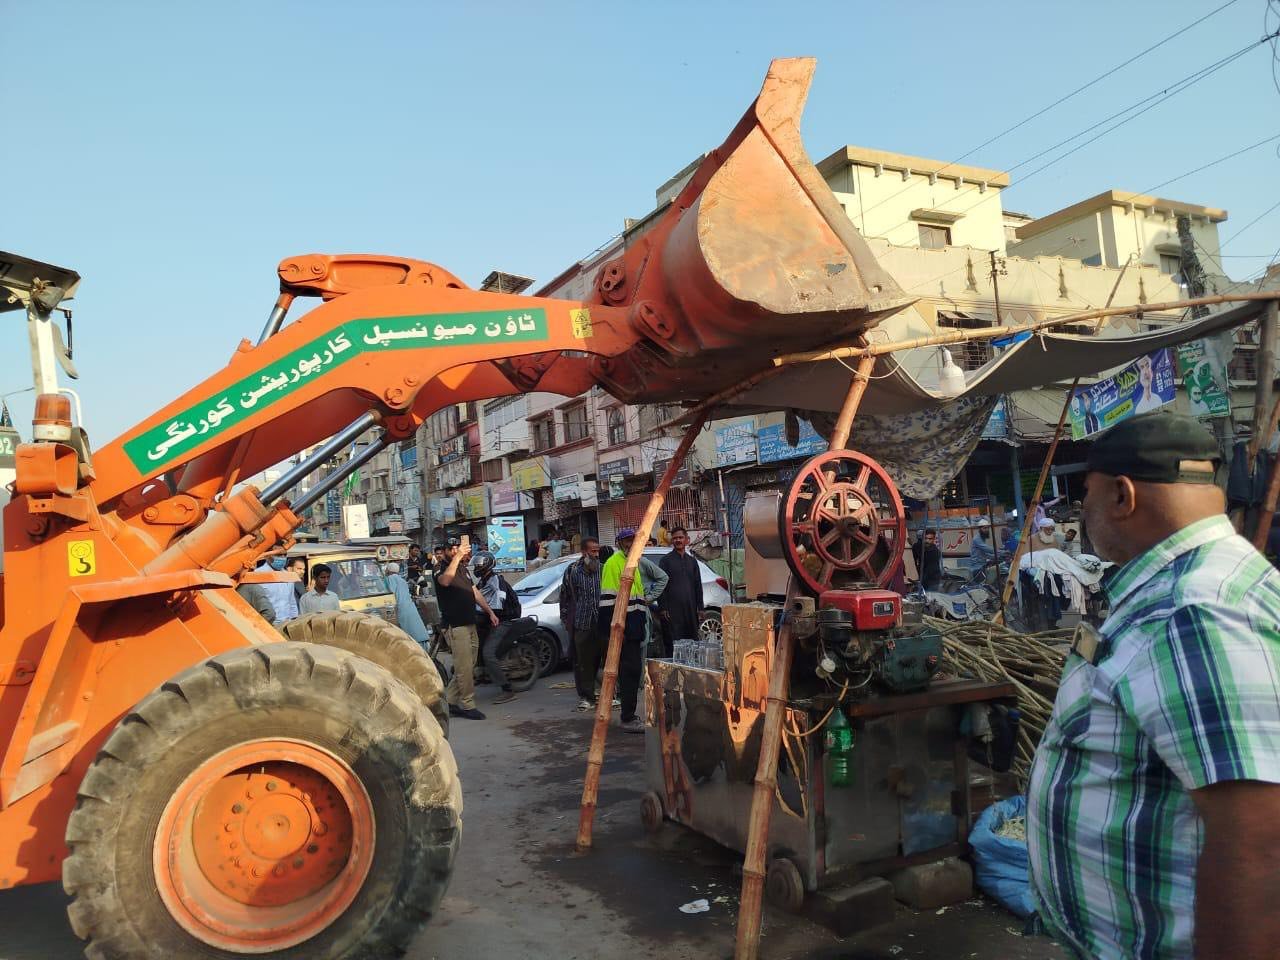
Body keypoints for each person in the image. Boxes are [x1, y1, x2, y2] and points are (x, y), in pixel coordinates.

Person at [1027, 411, 1280, 959]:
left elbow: (1259, 843)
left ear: (1122, 496)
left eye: (1086, 498)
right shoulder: (1195, 585)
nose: (1083, 514)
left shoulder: (1194, 610)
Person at [434, 537, 499, 720]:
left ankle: (449, 701)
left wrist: (490, 612)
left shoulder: (462, 568)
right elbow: (445, 581)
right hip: (455, 626)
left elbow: (475, 592)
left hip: (469, 622)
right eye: (452, 549)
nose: (456, 551)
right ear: (446, 551)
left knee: (468, 665)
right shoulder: (440, 568)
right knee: (463, 667)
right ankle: (468, 704)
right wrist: (457, 557)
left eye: (458, 548)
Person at [598, 528, 650, 733]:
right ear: (620, 543)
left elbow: (637, 597)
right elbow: (609, 601)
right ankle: (627, 717)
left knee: (633, 673)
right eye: (627, 541)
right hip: (624, 629)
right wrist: (620, 631)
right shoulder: (614, 563)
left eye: (633, 541)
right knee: (629, 673)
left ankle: (629, 713)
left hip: (634, 627)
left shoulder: (632, 564)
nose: (630, 544)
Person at [471, 551, 520, 705]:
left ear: (487, 565)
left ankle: (507, 690)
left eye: (480, 564)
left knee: (488, 653)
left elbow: (498, 604)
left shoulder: (496, 580)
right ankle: (483, 673)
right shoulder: (482, 582)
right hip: (490, 619)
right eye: (476, 564)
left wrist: (485, 612)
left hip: (502, 620)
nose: (477, 567)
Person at [561, 537, 603, 711]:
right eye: (593, 551)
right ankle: (587, 697)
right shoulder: (572, 571)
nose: (596, 554)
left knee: (603, 660)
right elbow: (565, 596)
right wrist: (565, 618)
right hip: (582, 622)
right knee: (584, 662)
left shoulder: (603, 569)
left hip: (602, 622)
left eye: (597, 551)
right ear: (584, 552)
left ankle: (609, 693)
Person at [658, 526, 703, 656]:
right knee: (674, 645)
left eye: (680, 537)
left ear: (686, 540)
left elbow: (697, 585)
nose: (678, 540)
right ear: (672, 541)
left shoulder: (692, 562)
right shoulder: (665, 561)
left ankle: (691, 672)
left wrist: (700, 608)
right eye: (675, 538)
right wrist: (663, 607)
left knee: (692, 643)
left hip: (690, 610)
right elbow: (661, 585)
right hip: (672, 612)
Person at [384, 562, 429, 648]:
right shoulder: (402, 580)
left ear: (388, 570)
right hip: (410, 606)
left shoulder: (390, 578)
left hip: (401, 608)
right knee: (416, 629)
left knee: (407, 632)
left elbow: (391, 594)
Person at [257, 558, 299, 627]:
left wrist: (294, 621)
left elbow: (291, 602)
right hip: (267, 625)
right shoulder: (257, 575)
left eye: (284, 555)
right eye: (278, 555)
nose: (282, 558)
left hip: (287, 624)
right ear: (268, 555)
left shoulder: (288, 575)